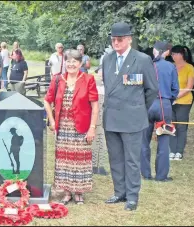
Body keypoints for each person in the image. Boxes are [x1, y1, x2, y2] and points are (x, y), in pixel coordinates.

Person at [102, 22, 158, 211]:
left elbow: (151, 89)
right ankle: (120, 192)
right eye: (113, 39)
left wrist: (138, 107)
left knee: (132, 159)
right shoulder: (107, 59)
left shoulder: (142, 59)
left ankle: (132, 196)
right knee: (115, 158)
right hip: (111, 117)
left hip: (132, 118)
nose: (116, 42)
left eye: (119, 39)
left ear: (129, 40)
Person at [44, 49, 99, 205]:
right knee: (65, 160)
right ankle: (67, 193)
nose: (71, 64)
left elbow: (95, 106)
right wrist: (52, 121)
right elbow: (47, 100)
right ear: (64, 63)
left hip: (81, 127)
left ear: (80, 63)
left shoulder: (88, 79)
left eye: (74, 61)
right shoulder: (58, 79)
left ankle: (79, 193)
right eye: (68, 61)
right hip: (63, 128)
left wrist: (92, 127)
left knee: (80, 161)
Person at [140, 41, 179, 182]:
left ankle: (145, 173)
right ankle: (161, 175)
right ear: (166, 52)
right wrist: (169, 100)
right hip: (164, 103)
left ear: (155, 51)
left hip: (147, 104)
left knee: (144, 141)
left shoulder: (146, 64)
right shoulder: (170, 67)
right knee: (163, 141)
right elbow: (175, 89)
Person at [169, 45, 194, 161]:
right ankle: (172, 151)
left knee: (181, 126)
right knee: (171, 126)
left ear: (181, 54)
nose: (173, 56)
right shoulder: (171, 67)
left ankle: (179, 151)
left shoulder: (190, 68)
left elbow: (189, 87)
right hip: (170, 101)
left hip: (184, 102)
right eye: (172, 54)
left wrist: (176, 97)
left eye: (175, 54)